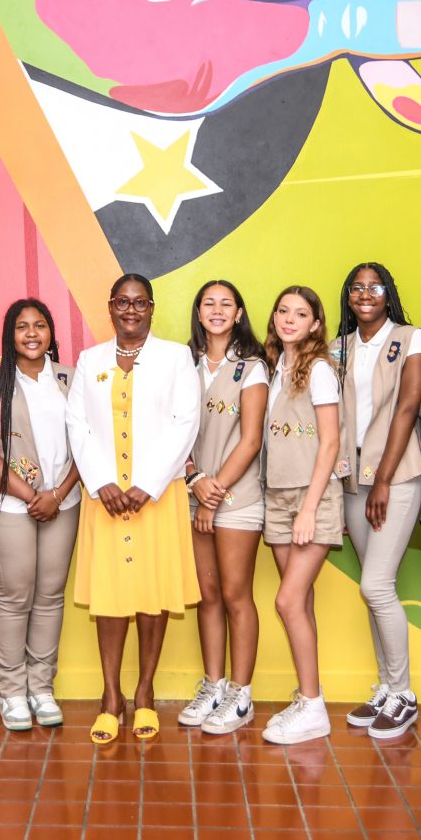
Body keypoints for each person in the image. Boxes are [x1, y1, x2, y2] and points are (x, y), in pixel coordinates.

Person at [66, 274, 202, 744]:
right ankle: (111, 697)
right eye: (122, 302)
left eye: (139, 302)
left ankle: (144, 693)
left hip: (156, 497)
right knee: (109, 596)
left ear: (151, 308)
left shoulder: (176, 357)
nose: (130, 310)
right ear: (110, 307)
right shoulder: (90, 360)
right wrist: (100, 479)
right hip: (104, 497)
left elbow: (187, 421)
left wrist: (148, 483)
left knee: (152, 592)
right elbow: (77, 423)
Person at [0, 298, 80, 732]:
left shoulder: (72, 379)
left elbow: (89, 445)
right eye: (21, 327)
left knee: (51, 597)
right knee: (15, 597)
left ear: (52, 331)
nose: (31, 333)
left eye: (40, 325)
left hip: (64, 503)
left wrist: (57, 494)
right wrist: (33, 494)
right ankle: (12, 691)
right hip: (10, 506)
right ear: (10, 335)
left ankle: (41, 688)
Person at [333, 262, 421, 740]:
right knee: (373, 590)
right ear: (348, 296)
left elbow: (408, 408)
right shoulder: (340, 346)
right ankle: (387, 687)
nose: (366, 294)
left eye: (375, 287)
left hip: (396, 475)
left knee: (376, 586)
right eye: (358, 287)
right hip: (354, 478)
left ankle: (405, 695)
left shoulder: (412, 337)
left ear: (388, 293)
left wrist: (386, 478)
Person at [180, 280, 267, 736]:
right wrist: (196, 480)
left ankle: (241, 693)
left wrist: (213, 491)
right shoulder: (184, 365)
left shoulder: (251, 368)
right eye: (208, 303)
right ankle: (213, 685)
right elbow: (174, 432)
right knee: (208, 595)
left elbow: (251, 440)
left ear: (238, 313)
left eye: (225, 304)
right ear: (198, 313)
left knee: (236, 595)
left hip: (237, 498)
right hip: (195, 493)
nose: (216, 310)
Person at [260, 286, 346, 745]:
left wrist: (309, 508)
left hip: (311, 497)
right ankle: (306, 696)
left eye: (300, 313)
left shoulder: (320, 370)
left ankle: (314, 708)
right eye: (282, 311)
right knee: (302, 604)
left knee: (287, 602)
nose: (289, 319)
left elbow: (330, 442)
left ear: (315, 324)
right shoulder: (276, 368)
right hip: (276, 496)